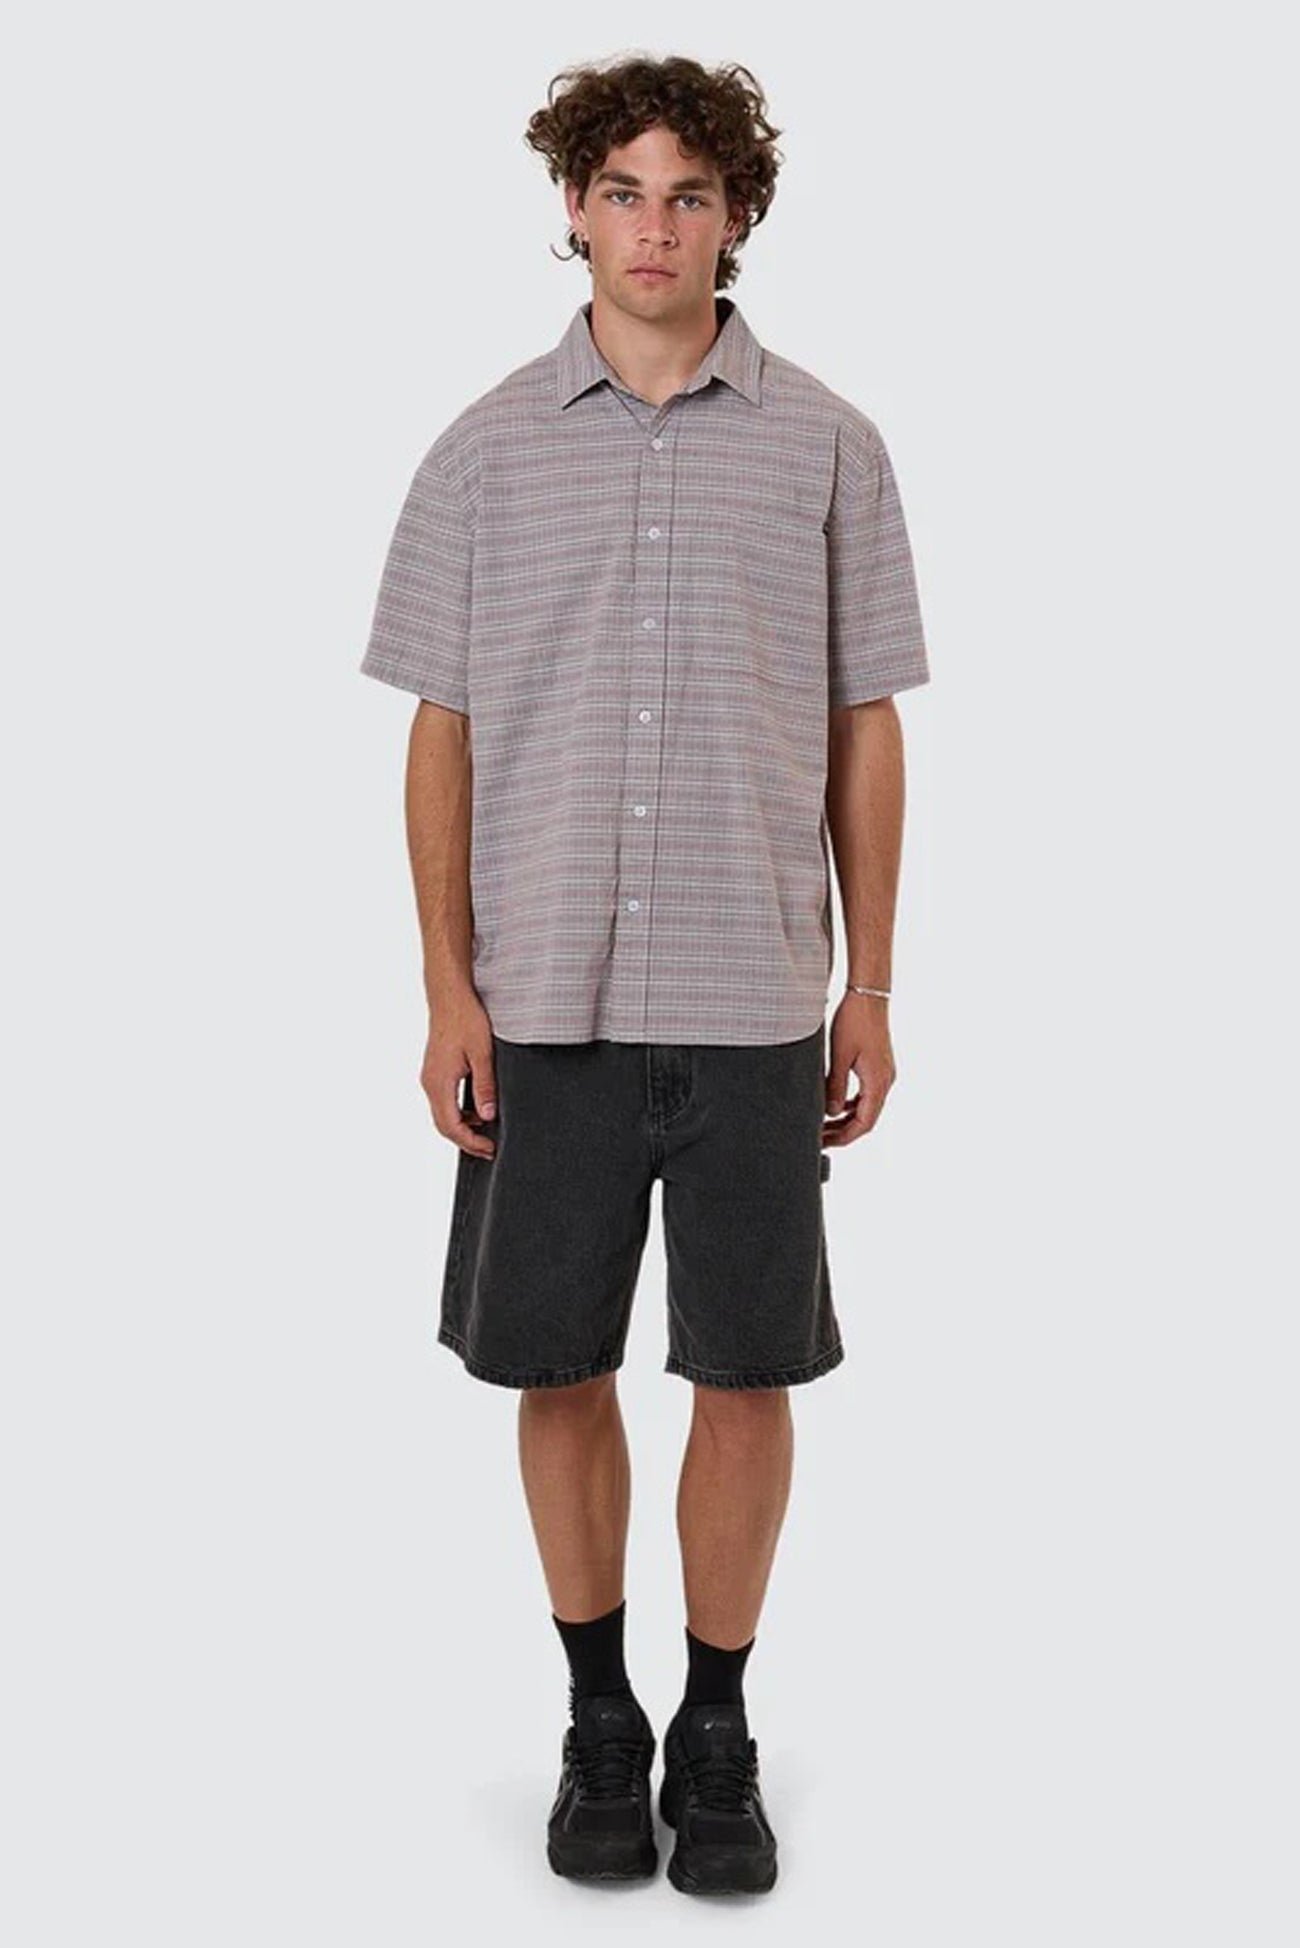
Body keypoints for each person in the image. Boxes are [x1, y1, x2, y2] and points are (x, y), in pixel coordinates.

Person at [359, 53, 931, 1897]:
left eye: (691, 194)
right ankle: (599, 1716)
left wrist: (871, 984)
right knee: (559, 1366)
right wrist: (448, 990)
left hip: (756, 997)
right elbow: (442, 732)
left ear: (738, 214)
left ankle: (719, 1726)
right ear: (573, 209)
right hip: (544, 1003)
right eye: (623, 191)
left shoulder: (831, 445)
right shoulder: (483, 450)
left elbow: (864, 723)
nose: (656, 227)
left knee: (748, 1373)